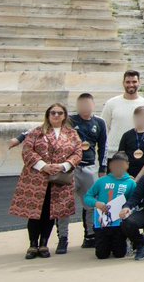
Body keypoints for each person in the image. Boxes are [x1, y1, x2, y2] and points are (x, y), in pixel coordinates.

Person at [10, 103, 84, 259]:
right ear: (48, 115)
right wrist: (43, 166)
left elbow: (77, 153)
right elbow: (27, 150)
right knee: (35, 212)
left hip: (59, 179)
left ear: (64, 116)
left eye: (59, 113)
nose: (56, 116)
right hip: (37, 179)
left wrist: (63, 166)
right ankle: (32, 245)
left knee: (51, 213)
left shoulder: (72, 134)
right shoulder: (37, 131)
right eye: (53, 113)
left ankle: (44, 243)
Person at [66, 92, 107, 252]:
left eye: (88, 104)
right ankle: (63, 238)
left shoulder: (99, 122)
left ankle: (90, 235)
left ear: (93, 105)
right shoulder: (69, 120)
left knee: (90, 203)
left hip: (90, 167)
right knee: (64, 204)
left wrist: (102, 168)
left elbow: (103, 146)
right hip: (70, 167)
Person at [84, 152, 136, 259]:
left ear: (127, 165)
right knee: (101, 255)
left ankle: (126, 242)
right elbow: (87, 197)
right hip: (102, 223)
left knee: (119, 254)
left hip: (119, 223)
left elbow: (134, 201)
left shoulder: (131, 183)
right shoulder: (101, 181)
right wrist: (96, 203)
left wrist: (128, 209)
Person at [102, 70, 144, 156]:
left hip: (136, 153)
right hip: (113, 152)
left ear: (139, 82)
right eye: (128, 82)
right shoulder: (111, 103)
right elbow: (104, 126)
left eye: (134, 82)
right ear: (123, 83)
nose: (131, 85)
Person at [118, 106, 144, 179]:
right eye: (138, 116)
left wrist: (139, 177)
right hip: (127, 175)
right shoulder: (127, 135)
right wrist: (126, 175)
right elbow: (121, 156)